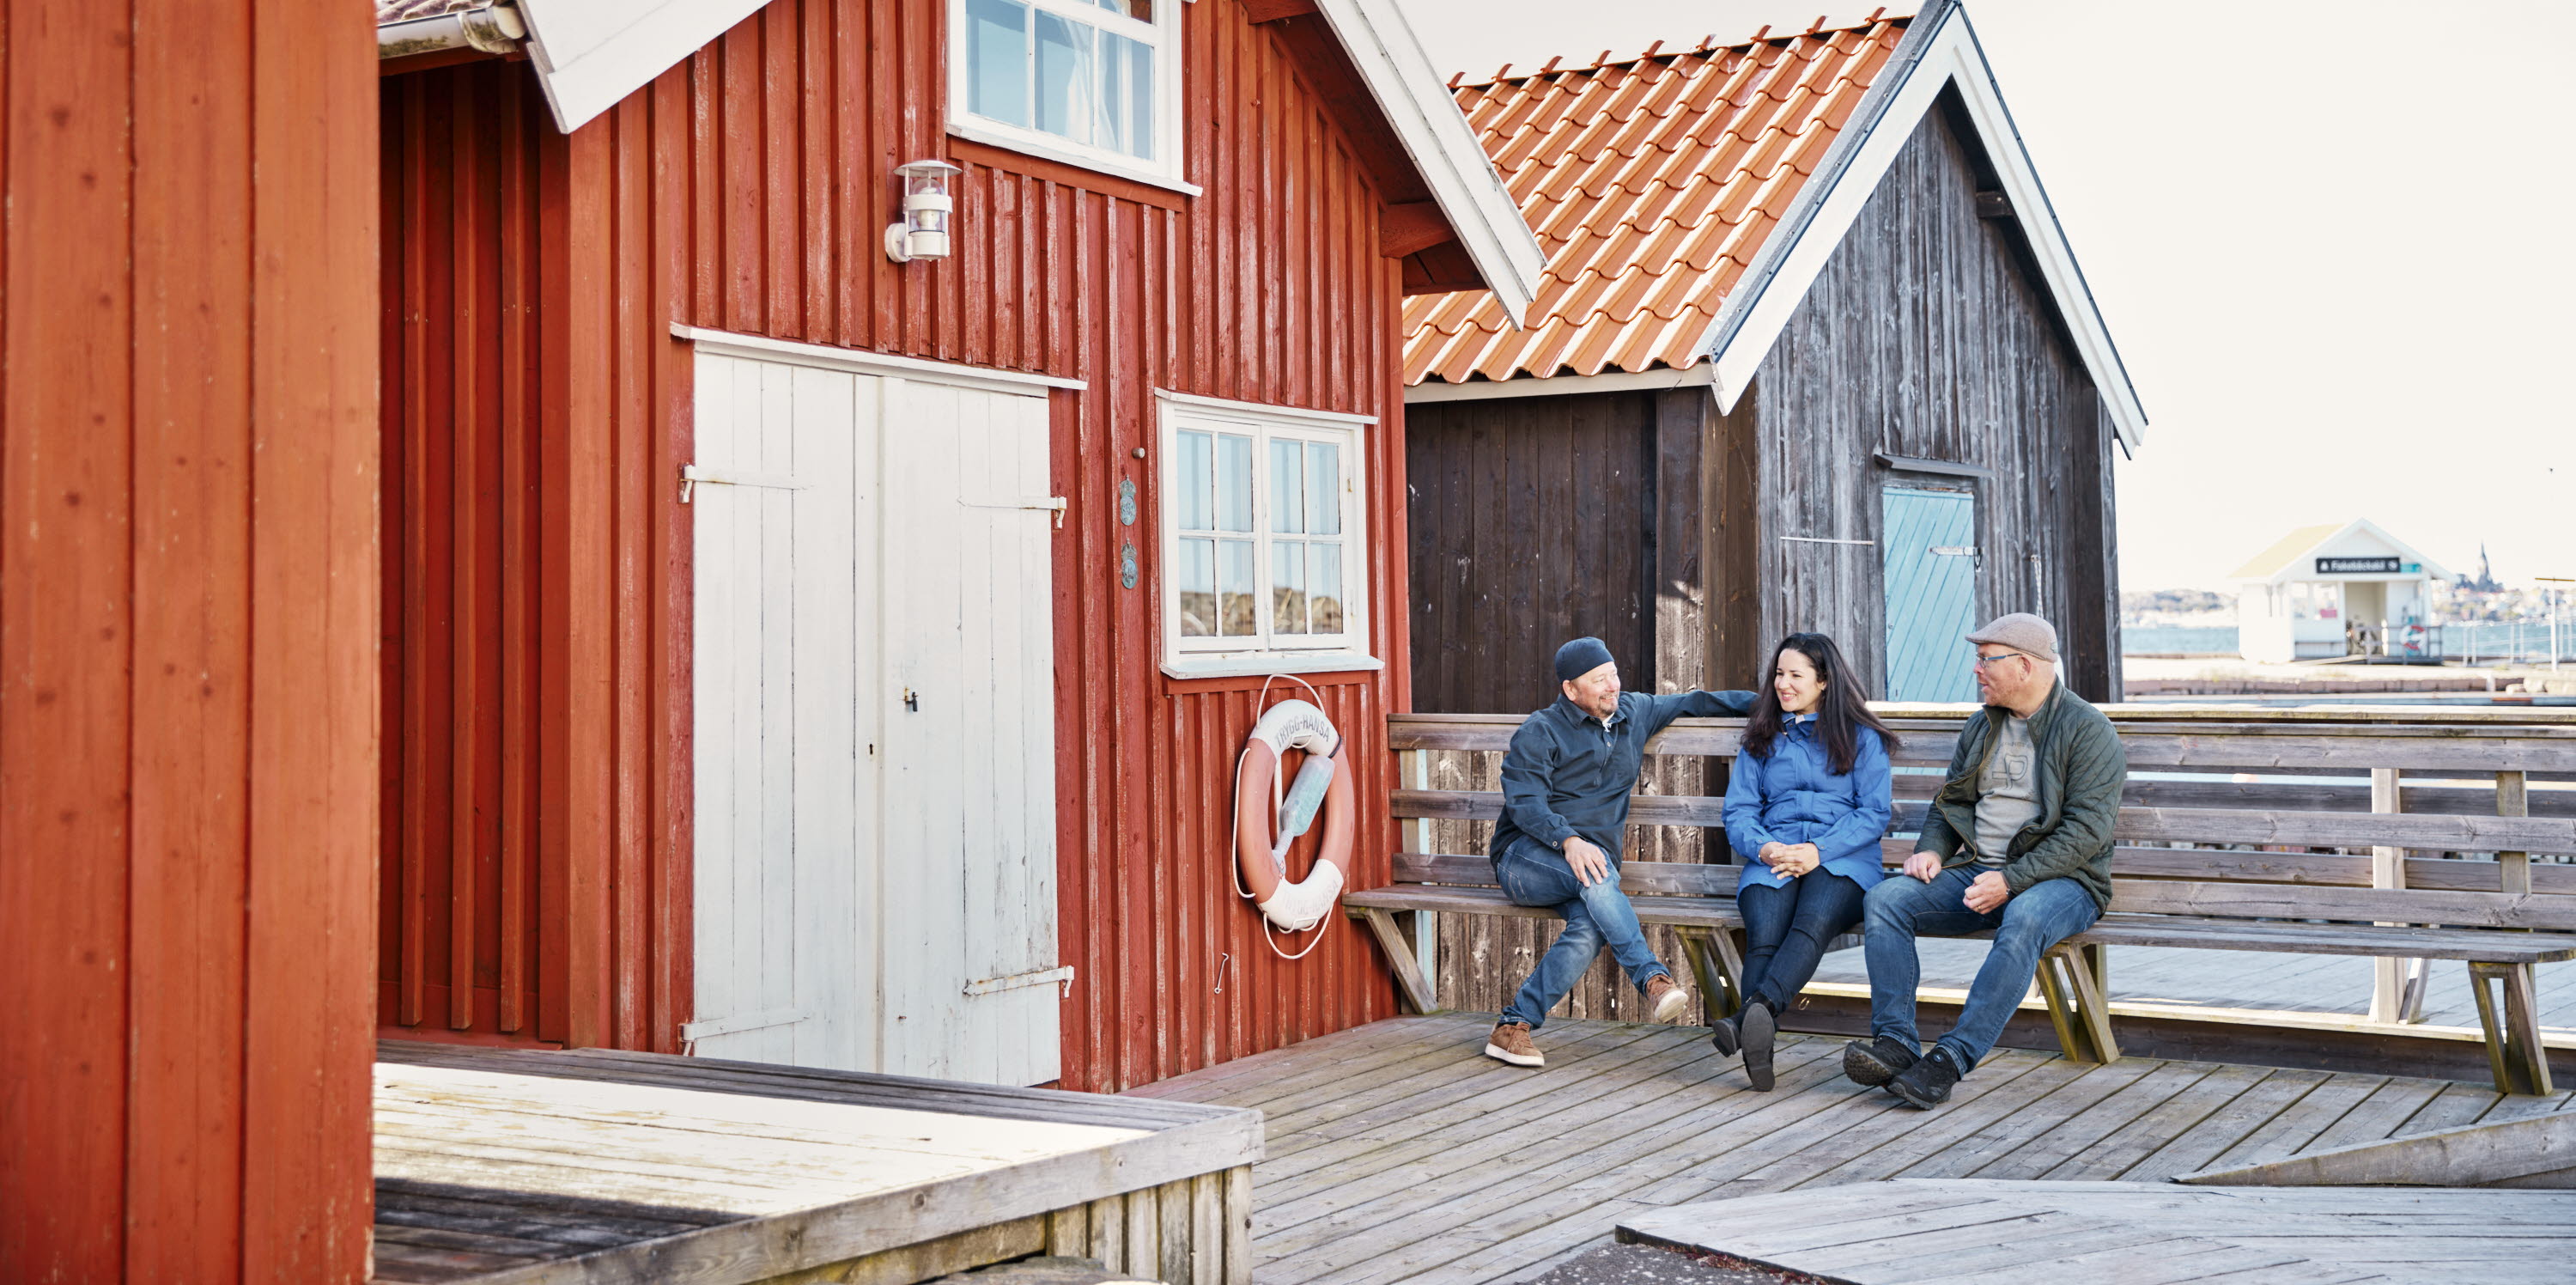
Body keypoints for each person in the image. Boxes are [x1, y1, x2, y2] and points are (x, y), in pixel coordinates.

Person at [1846, 612, 2127, 1109]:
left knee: (2023, 917)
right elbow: (1949, 802)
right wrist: (1931, 849)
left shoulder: (2088, 730)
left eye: (1985, 660)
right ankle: (1895, 1043)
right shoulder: (1983, 726)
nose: (1977, 670)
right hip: (1979, 873)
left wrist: (2012, 880)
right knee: (1887, 898)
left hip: (2065, 882)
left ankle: (1951, 1059)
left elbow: (2086, 833)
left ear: (2024, 666)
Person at [1484, 637, 1758, 1068]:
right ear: (1571, 690)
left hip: (1592, 871)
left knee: (1590, 928)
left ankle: (1513, 1026)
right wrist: (1568, 840)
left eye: (1613, 674)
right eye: (1599, 680)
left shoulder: (1633, 711)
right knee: (1595, 873)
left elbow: (1695, 702)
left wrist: (1772, 706)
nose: (1612, 686)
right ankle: (1653, 980)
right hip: (1524, 860)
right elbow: (1525, 802)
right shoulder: (1542, 729)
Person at [1713, 633, 1895, 1091]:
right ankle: (1759, 1048)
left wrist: (1819, 851)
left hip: (1843, 860)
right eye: (1779, 673)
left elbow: (1873, 812)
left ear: (1825, 682)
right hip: (1774, 853)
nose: (1783, 684)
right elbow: (1738, 811)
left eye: (1796, 675)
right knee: (1765, 933)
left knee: (1813, 919)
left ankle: (1747, 1018)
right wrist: (1765, 849)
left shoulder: (1861, 737)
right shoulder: (1761, 737)